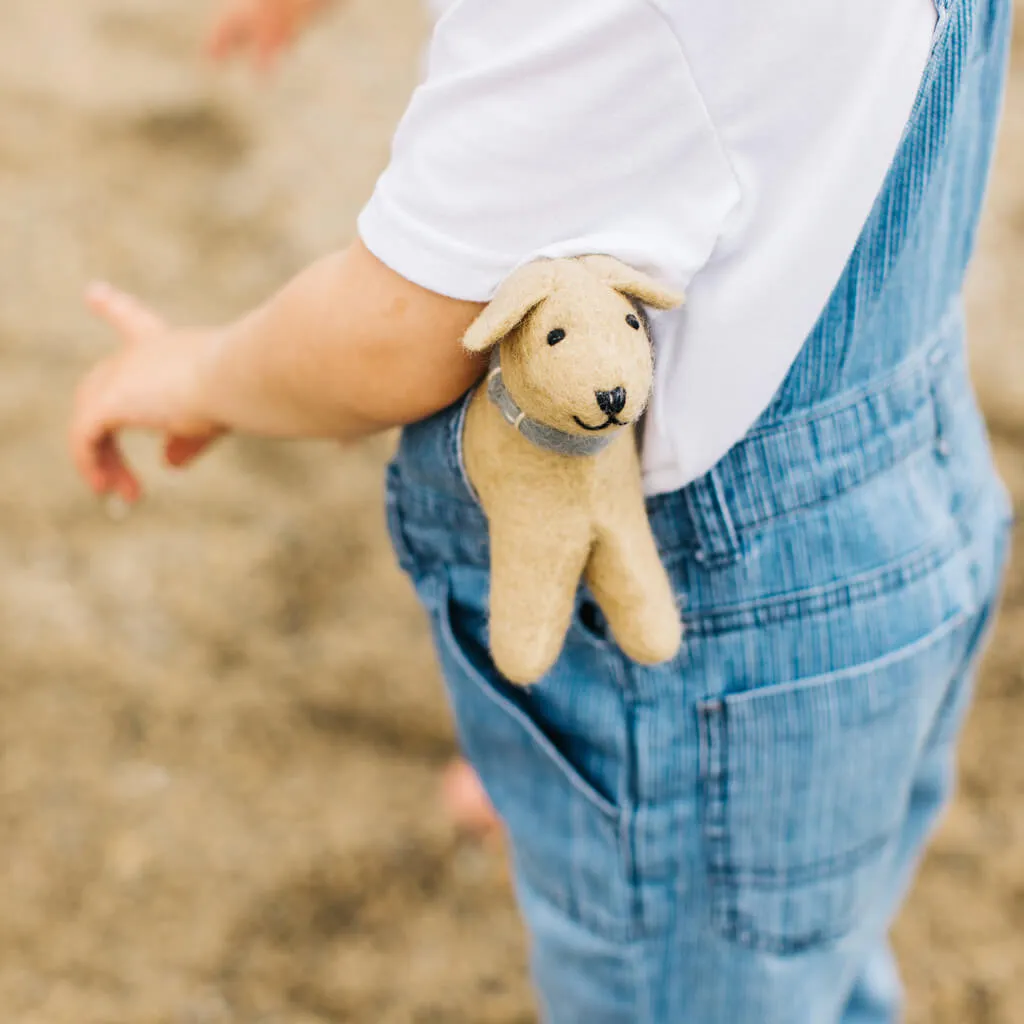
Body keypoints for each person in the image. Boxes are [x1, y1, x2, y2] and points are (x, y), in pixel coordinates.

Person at [70, 0, 1014, 1019]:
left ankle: (616, 795)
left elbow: (397, 332)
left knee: (694, 971)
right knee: (805, 936)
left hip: (713, 621)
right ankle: (599, 801)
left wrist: (198, 373)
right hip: (908, 496)